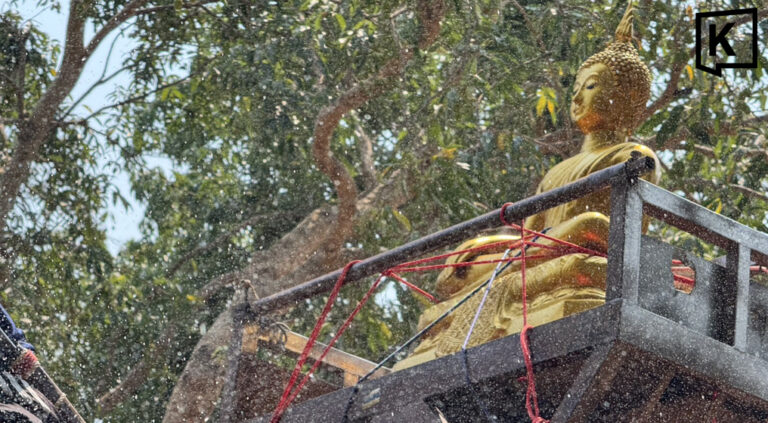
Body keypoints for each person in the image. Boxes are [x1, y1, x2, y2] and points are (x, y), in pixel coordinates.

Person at [393, 3, 661, 371]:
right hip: (544, 261)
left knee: (588, 235)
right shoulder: (558, 171)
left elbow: (613, 234)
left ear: (627, 97)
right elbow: (529, 238)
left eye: (591, 86)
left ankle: (500, 288)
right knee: (455, 282)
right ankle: (484, 289)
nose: (577, 98)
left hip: (586, 259)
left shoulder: (632, 155)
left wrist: (551, 241)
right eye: (575, 88)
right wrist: (485, 248)